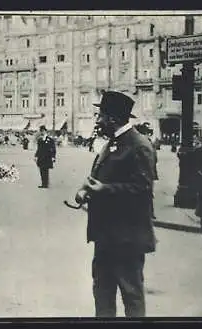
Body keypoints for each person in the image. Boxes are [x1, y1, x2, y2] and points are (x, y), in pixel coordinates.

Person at [74, 91, 157, 317]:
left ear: (112, 118)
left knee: (131, 294)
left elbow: (143, 189)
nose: (97, 121)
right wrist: (86, 191)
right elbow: (104, 178)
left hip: (127, 237)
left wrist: (104, 189)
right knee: (102, 291)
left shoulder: (139, 145)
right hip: (106, 235)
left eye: (100, 115)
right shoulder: (112, 143)